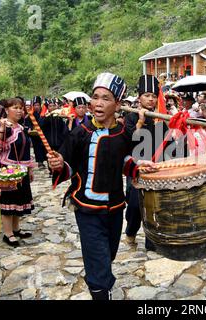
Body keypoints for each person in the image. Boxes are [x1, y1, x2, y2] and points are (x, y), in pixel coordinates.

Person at [47, 72, 157, 300]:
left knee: (109, 255)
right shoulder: (80, 133)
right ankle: (100, 291)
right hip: (87, 209)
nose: (98, 103)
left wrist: (138, 168)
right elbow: (67, 167)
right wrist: (58, 165)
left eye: (105, 98)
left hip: (116, 208)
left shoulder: (123, 132)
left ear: (117, 104)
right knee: (98, 263)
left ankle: (102, 283)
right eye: (95, 97)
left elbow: (125, 161)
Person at [124, 75, 172, 250]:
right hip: (136, 165)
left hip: (157, 166)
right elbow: (130, 141)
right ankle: (130, 231)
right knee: (136, 204)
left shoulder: (160, 117)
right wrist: (140, 122)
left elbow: (169, 143)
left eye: (153, 96)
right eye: (146, 95)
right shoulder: (130, 116)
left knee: (155, 204)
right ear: (139, 98)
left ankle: (152, 244)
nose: (150, 99)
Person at [0, 98, 35, 247]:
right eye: (16, 107)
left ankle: (16, 229)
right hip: (6, 171)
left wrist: (30, 168)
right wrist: (2, 129)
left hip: (21, 171)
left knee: (19, 200)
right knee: (8, 202)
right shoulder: (0, 126)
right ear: (7, 110)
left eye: (21, 108)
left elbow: (27, 149)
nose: (20, 111)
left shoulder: (21, 127)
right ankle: (8, 234)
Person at [25, 96, 47, 168]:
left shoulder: (44, 113)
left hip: (44, 133)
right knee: (37, 148)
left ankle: (46, 160)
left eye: (37, 105)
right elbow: (27, 123)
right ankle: (40, 162)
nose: (36, 107)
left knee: (44, 147)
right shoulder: (30, 114)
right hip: (34, 134)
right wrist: (30, 128)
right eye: (34, 105)